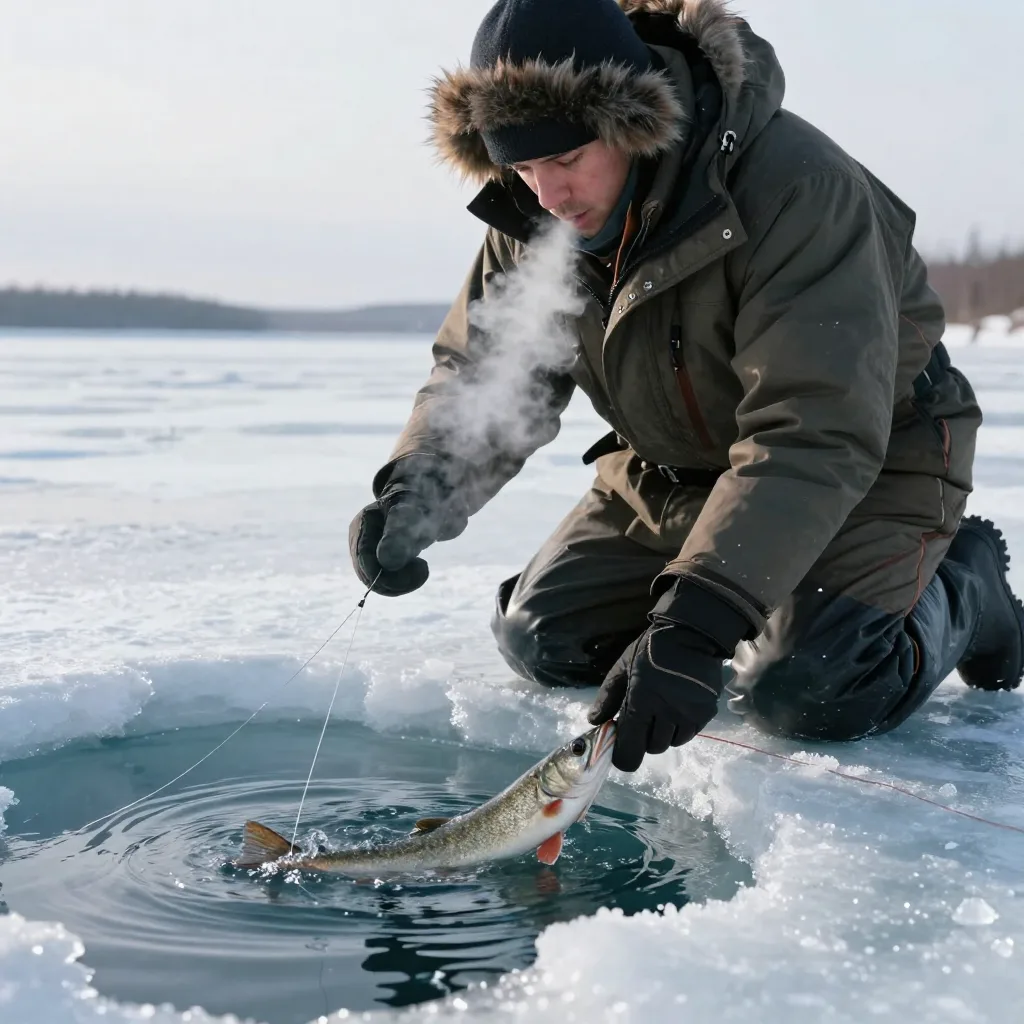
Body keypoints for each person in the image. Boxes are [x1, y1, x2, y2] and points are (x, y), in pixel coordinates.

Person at [349, 0, 1024, 773]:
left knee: (807, 689)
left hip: (867, 466)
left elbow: (812, 429)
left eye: (566, 159)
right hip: (669, 475)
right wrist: (417, 491)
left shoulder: (799, 189)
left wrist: (699, 626)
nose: (548, 195)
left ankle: (967, 584)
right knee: (544, 640)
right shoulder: (535, 219)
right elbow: (487, 374)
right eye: (522, 166)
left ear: (630, 119)